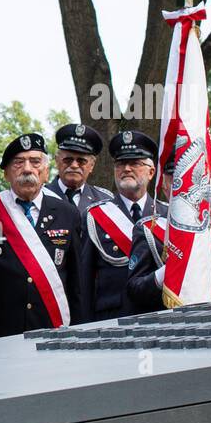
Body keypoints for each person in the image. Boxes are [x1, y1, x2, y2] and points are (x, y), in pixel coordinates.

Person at [0, 133, 84, 337]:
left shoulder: (67, 213)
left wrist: (79, 329)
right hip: (1, 331)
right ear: (5, 174)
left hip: (52, 326)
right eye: (18, 163)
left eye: (35, 162)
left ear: (46, 172)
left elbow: (76, 282)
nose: (27, 169)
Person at [123, 143, 211, 313]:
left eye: (193, 181)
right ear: (164, 185)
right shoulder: (149, 229)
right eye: (178, 181)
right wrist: (167, 272)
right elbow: (134, 291)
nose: (187, 188)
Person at [78, 130, 163, 322]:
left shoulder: (166, 215)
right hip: (112, 320)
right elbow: (85, 282)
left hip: (159, 316)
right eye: (120, 164)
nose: (126, 168)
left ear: (151, 172)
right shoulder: (95, 216)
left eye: (134, 163)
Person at [43, 123, 112, 213]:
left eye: (81, 161)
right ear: (57, 160)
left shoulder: (105, 201)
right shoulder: (40, 195)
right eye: (68, 160)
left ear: (91, 165)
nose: (74, 165)